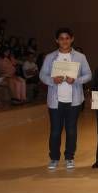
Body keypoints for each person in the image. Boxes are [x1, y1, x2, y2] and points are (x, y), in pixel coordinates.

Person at [39, 28, 92, 170]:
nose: (64, 41)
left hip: (74, 101)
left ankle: (69, 157)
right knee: (55, 131)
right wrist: (52, 80)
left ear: (72, 39)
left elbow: (88, 75)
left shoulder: (80, 57)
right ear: (57, 40)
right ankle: (54, 158)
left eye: (67, 38)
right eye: (61, 38)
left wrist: (76, 80)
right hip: (55, 101)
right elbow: (42, 75)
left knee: (71, 130)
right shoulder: (50, 57)